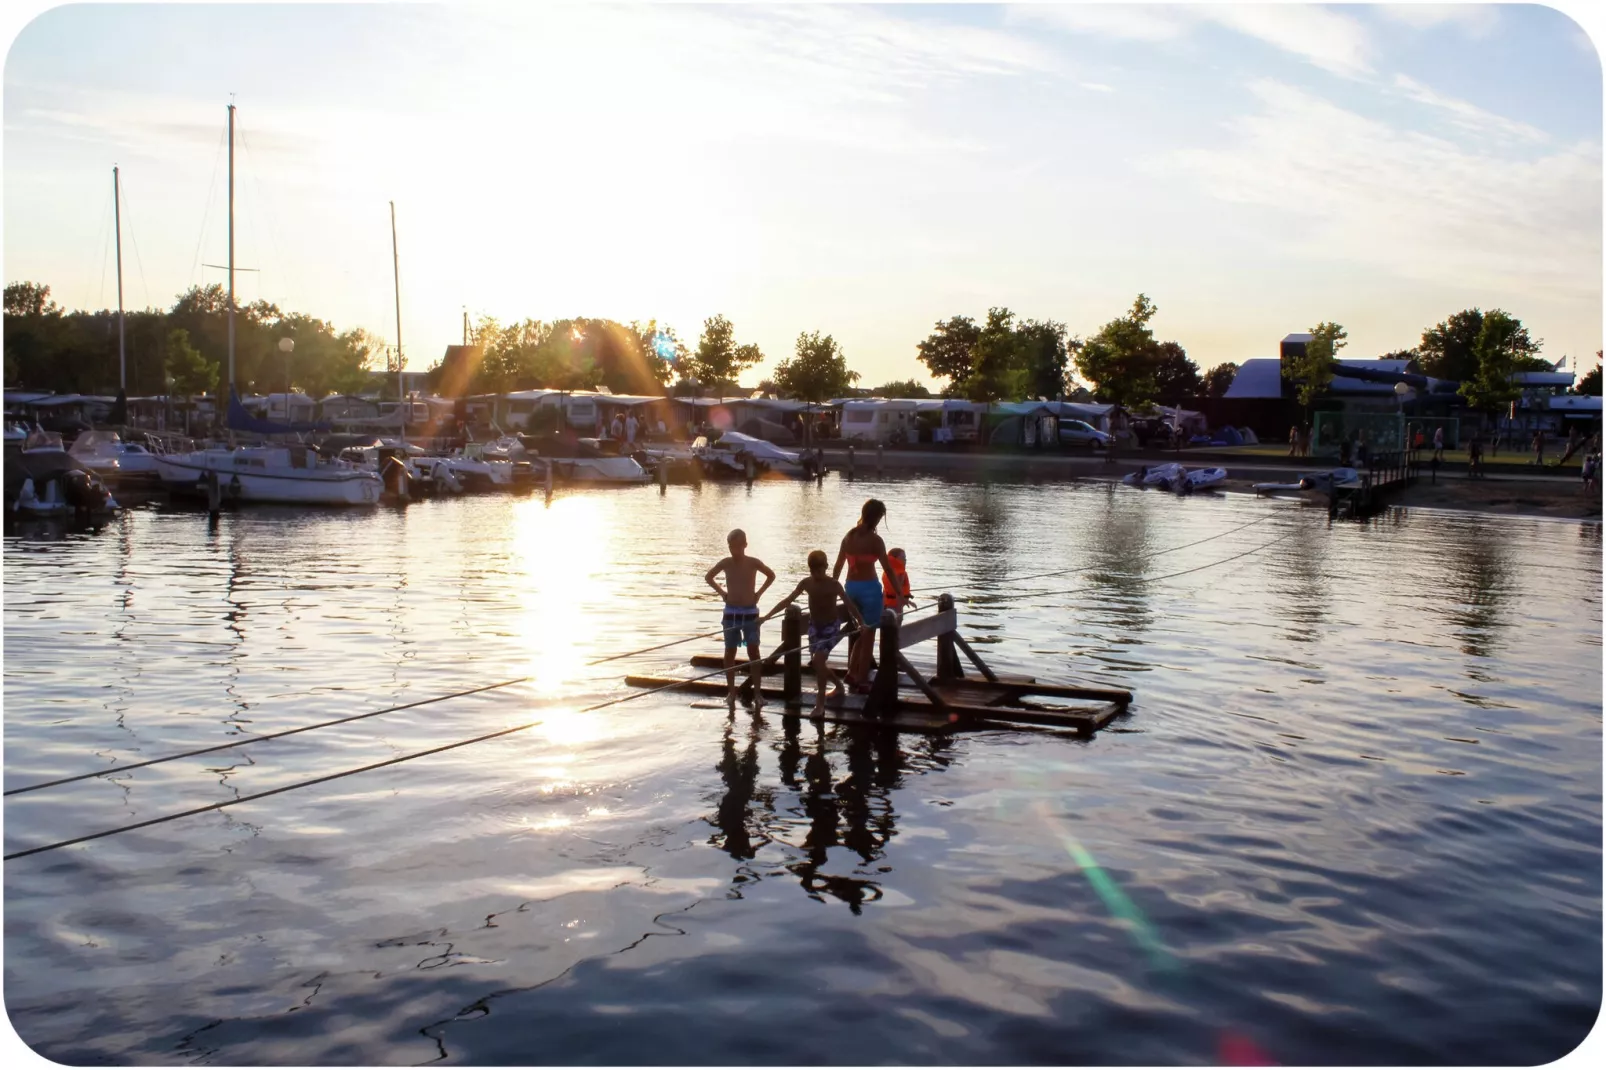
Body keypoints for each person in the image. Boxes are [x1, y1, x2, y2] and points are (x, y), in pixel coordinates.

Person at [760, 550, 864, 717]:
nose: (817, 574)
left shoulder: (833, 584)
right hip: (815, 627)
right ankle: (838, 685)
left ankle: (820, 705)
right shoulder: (806, 583)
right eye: (813, 571)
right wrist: (766, 617)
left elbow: (849, 605)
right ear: (810, 570)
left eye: (820, 570)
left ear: (826, 567)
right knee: (818, 664)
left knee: (818, 660)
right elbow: (788, 600)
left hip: (831, 627)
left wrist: (861, 621)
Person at [705, 529, 776, 711]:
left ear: (745, 545)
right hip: (731, 612)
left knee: (754, 651)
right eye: (731, 546)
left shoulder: (752, 562)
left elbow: (771, 575)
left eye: (737, 546)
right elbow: (709, 577)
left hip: (750, 611)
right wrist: (722, 593)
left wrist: (758, 593)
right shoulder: (726, 563)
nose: (734, 550)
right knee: (730, 652)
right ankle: (731, 692)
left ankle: (758, 694)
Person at [833, 498, 897, 694]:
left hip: (850, 588)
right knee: (869, 635)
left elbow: (837, 566)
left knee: (862, 631)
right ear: (877, 518)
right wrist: (900, 594)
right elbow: (888, 569)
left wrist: (833, 590)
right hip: (869, 589)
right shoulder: (876, 541)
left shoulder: (848, 537)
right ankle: (862, 680)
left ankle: (852, 672)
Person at [881, 547, 915, 625]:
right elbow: (898, 592)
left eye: (905, 558)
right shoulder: (900, 574)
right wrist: (899, 612)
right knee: (896, 632)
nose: (905, 560)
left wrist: (908, 601)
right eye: (903, 558)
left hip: (886, 606)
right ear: (895, 559)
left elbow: (885, 591)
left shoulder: (887, 572)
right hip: (895, 607)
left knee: (886, 631)